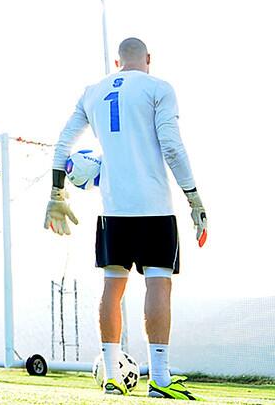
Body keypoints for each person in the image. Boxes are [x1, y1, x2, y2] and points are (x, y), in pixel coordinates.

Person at [45, 37, 208, 399]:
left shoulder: (92, 92)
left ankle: (112, 375)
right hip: (154, 206)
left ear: (117, 63)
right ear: (148, 59)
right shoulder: (159, 88)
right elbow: (171, 145)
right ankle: (161, 379)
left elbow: (62, 146)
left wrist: (56, 194)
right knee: (158, 285)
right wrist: (194, 197)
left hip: (113, 209)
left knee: (112, 288)